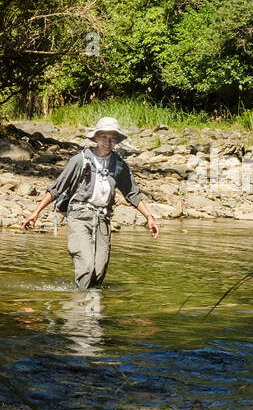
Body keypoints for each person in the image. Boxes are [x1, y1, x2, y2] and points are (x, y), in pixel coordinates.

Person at [21, 116, 159, 289]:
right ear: (96, 138)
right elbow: (57, 188)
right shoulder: (79, 160)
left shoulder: (119, 165)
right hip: (80, 217)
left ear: (116, 141)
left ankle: (91, 308)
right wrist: (35, 213)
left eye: (112, 138)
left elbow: (132, 193)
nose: (107, 142)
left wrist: (149, 217)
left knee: (99, 272)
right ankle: (80, 310)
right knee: (86, 267)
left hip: (102, 221)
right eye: (104, 137)